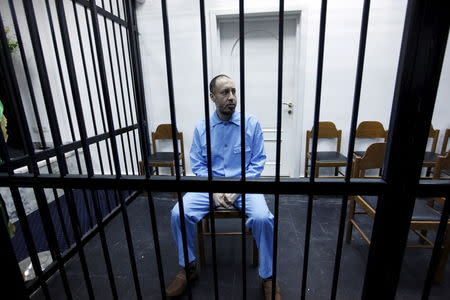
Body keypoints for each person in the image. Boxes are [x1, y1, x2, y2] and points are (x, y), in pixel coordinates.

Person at [166, 75, 282, 299]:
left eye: (233, 91)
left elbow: (258, 161)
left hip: (244, 185)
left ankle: (268, 277)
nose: (232, 97)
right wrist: (214, 190)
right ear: (212, 97)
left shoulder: (251, 124)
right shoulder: (202, 128)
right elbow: (198, 163)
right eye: (225, 92)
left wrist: (237, 188)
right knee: (178, 213)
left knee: (263, 218)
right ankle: (188, 267)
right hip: (209, 186)